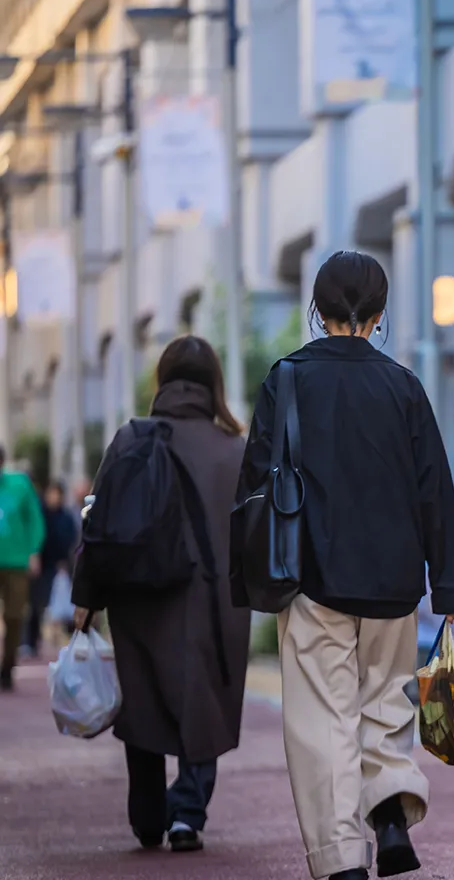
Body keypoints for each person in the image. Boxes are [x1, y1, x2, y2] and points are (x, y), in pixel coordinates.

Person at [237, 251, 454, 880]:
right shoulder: (403, 386)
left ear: (318, 311)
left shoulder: (288, 379)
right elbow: (434, 490)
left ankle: (342, 857)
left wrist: (249, 577)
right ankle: (390, 812)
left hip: (313, 575)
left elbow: (256, 482)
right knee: (387, 700)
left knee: (324, 717)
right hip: (394, 579)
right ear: (379, 313)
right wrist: (451, 590)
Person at [72, 336, 252, 852]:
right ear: (214, 384)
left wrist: (87, 597)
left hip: (138, 595)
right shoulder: (234, 450)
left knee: (144, 702)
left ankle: (148, 815)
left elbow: (98, 524)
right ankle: (187, 815)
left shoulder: (132, 438)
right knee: (205, 701)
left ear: (163, 380)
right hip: (213, 600)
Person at [0, 447, 45, 691]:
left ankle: (7, 667)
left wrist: (34, 551)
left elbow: (35, 519)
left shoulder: (20, 485)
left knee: (15, 616)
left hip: (16, 562)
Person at [21, 480, 79, 658]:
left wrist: (65, 560)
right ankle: (30, 641)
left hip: (58, 565)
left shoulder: (66, 518)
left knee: (62, 605)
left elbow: (70, 539)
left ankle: (70, 641)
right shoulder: (40, 515)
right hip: (41, 564)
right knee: (36, 604)